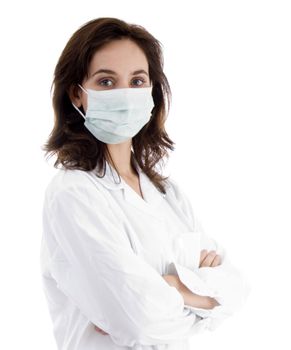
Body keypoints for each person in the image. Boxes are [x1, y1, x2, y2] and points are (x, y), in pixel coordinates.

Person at [40, 17, 250, 350]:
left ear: (152, 91)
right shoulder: (73, 194)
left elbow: (237, 289)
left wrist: (174, 290)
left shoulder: (167, 193)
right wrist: (198, 294)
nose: (125, 94)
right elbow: (140, 324)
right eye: (107, 82)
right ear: (77, 95)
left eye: (137, 81)